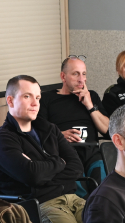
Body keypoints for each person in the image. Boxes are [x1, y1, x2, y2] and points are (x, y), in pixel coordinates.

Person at [0, 75, 95, 223]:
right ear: (10, 100)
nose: (35, 103)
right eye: (27, 96)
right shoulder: (2, 139)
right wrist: (58, 162)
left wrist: (44, 168)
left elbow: (76, 167)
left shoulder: (49, 129)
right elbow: (32, 176)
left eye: (37, 97)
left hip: (72, 197)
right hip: (40, 205)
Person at [38, 56, 109, 186]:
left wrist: (90, 106)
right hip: (65, 153)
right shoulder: (47, 99)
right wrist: (59, 135)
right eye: (76, 74)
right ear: (63, 76)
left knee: (102, 188)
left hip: (92, 153)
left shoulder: (91, 96)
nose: (81, 79)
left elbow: (107, 130)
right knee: (79, 192)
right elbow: (38, 131)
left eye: (84, 74)